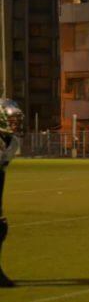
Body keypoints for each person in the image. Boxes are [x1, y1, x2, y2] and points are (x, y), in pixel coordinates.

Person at [0, 99, 23, 288]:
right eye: (10, 119)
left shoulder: (12, 141)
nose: (14, 123)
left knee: (0, 226)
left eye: (16, 119)